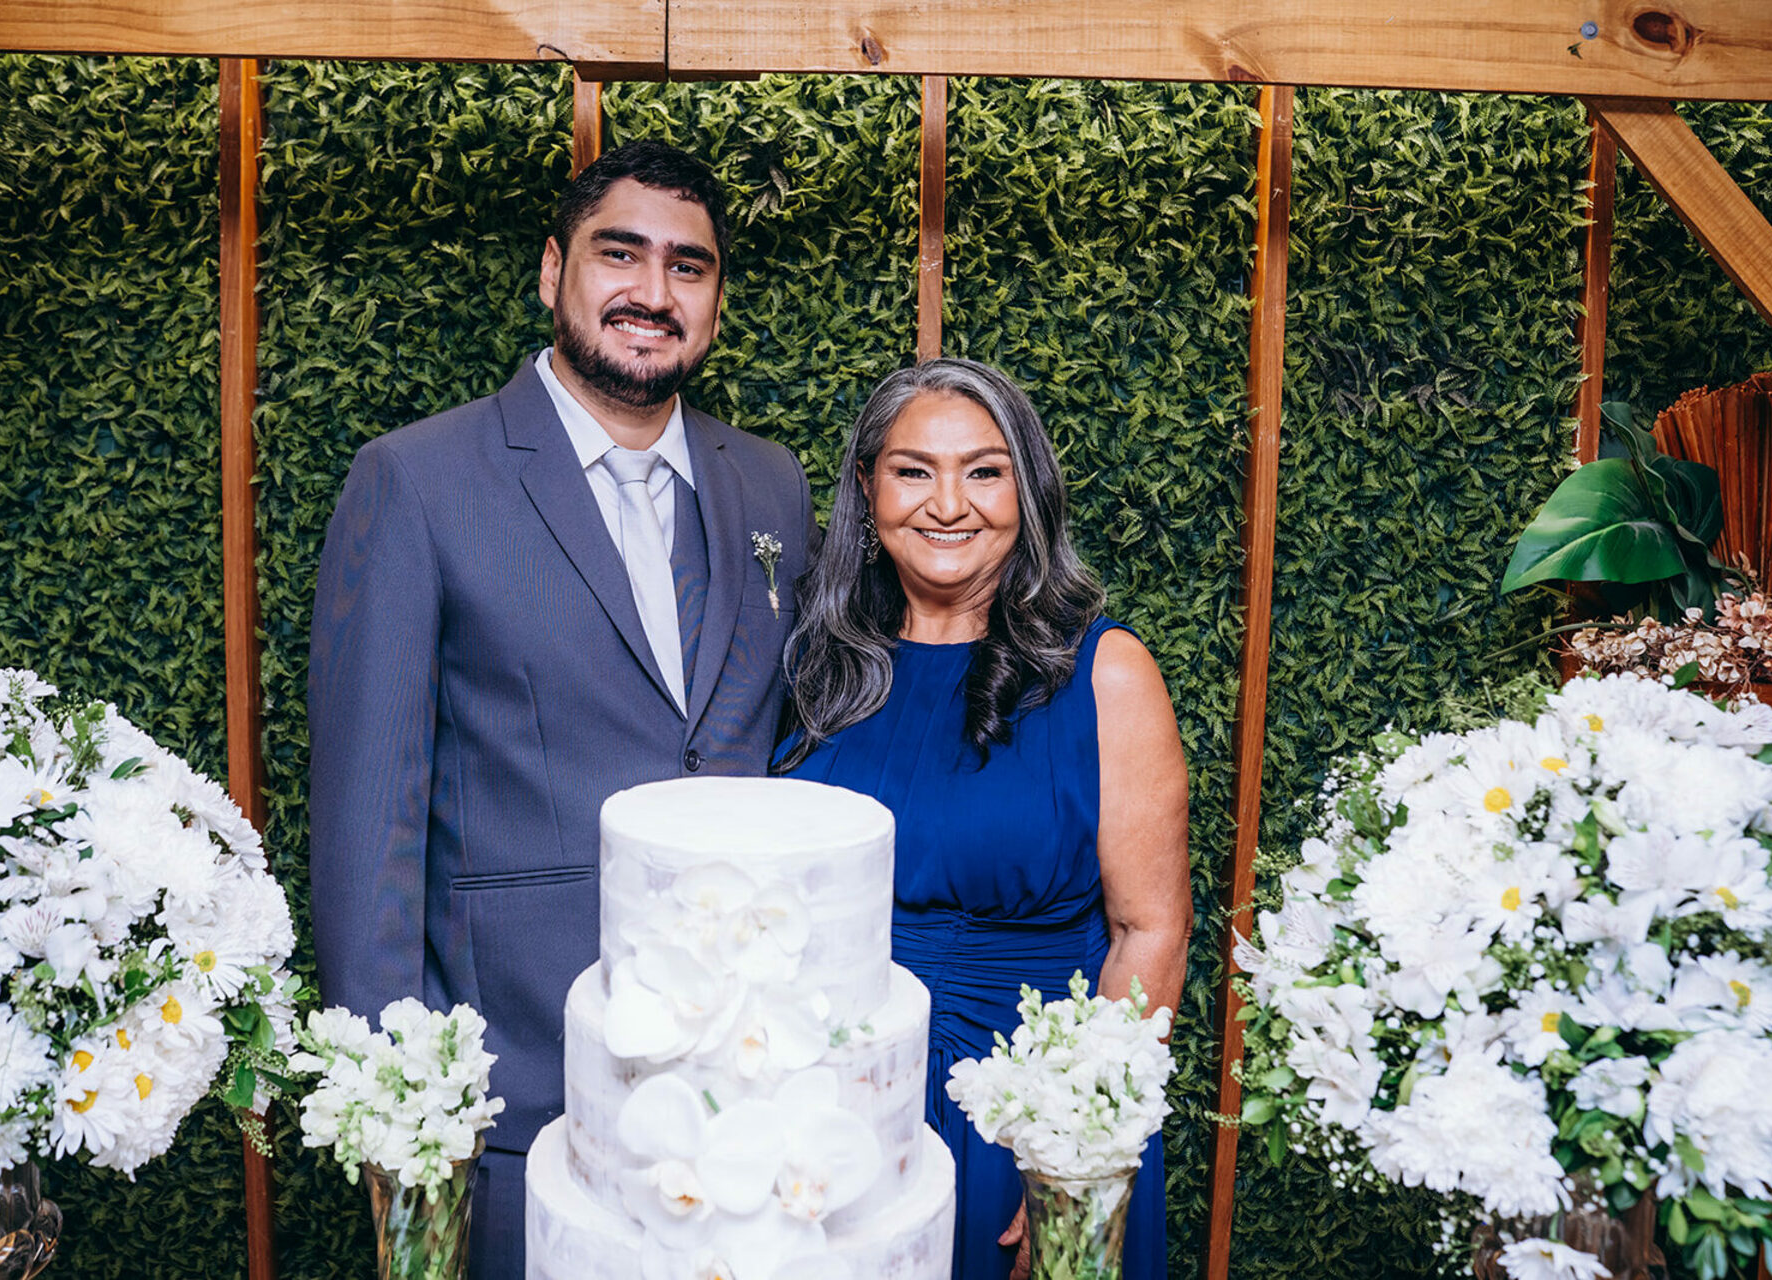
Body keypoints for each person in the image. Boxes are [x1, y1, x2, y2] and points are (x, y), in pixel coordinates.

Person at [308, 141, 817, 1277]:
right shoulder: (417, 479)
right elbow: (366, 821)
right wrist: (403, 1104)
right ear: (553, 271)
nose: (653, 291)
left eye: (689, 266)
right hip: (512, 1094)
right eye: (619, 254)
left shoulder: (771, 484)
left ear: (716, 298)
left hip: (743, 1102)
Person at [778, 358, 1191, 1280]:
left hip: (1018, 1118)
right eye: (913, 470)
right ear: (867, 490)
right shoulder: (817, 669)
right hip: (830, 1114)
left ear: (1027, 491)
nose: (947, 504)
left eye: (984, 471)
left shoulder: (1105, 673)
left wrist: (1076, 1165)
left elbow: (1152, 932)